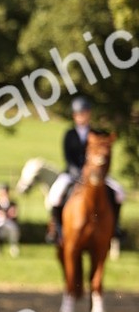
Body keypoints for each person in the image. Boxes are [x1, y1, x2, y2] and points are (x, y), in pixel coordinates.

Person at [46, 96, 125, 242]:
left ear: (89, 114)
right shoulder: (69, 135)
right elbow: (68, 158)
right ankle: (56, 229)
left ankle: (115, 227)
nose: (82, 116)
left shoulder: (97, 133)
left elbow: (106, 153)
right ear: (74, 115)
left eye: (85, 113)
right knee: (54, 195)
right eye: (79, 113)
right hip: (72, 173)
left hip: (97, 175)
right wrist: (79, 173)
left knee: (119, 192)